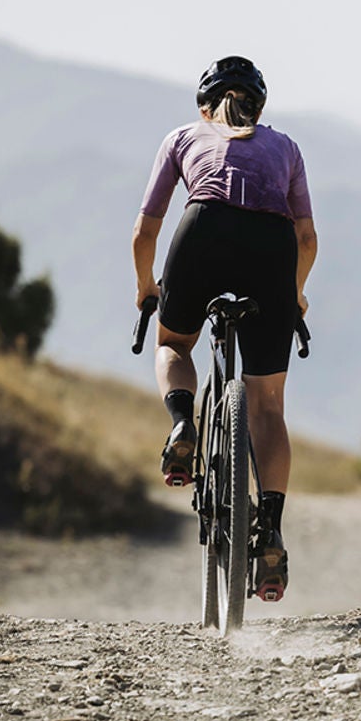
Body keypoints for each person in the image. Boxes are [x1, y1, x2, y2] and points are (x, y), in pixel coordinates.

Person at [131, 56, 317, 601]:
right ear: (259, 108)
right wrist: (295, 295)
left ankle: (182, 425)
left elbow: (146, 230)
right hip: (271, 250)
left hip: (203, 231)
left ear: (204, 105)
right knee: (267, 406)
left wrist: (147, 286)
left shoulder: (183, 137)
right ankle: (272, 529)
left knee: (173, 343)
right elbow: (307, 240)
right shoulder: (285, 147)